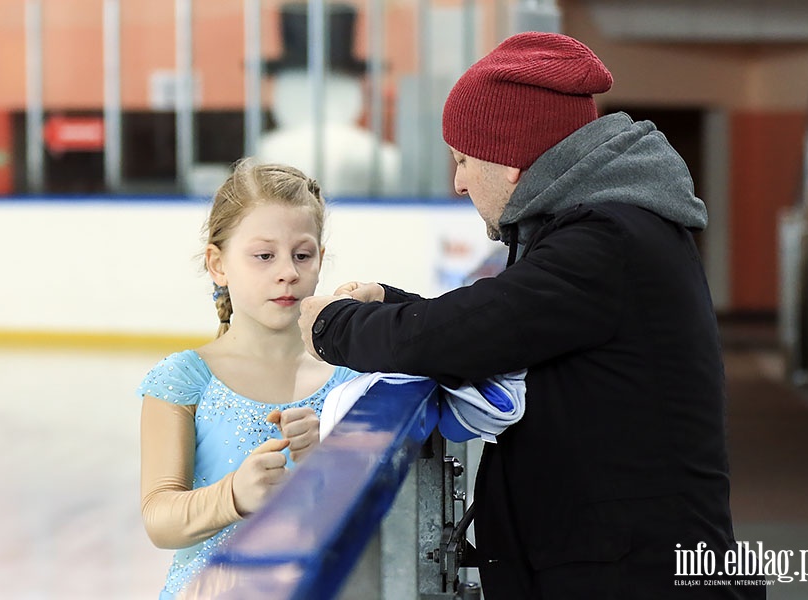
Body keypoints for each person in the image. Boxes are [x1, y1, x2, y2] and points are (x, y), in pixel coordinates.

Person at [299, 32, 765, 598]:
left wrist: (333, 325)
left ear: (512, 158)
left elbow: (469, 334)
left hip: (635, 577)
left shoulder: (606, 240)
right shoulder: (605, 230)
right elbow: (502, 321)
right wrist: (391, 302)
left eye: (465, 159)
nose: (459, 181)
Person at [137, 158, 359, 599]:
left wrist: (326, 464)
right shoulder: (182, 380)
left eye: (303, 254)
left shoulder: (350, 380)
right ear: (218, 264)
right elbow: (159, 518)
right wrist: (233, 495)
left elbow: (381, 517)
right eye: (263, 256)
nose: (288, 272)